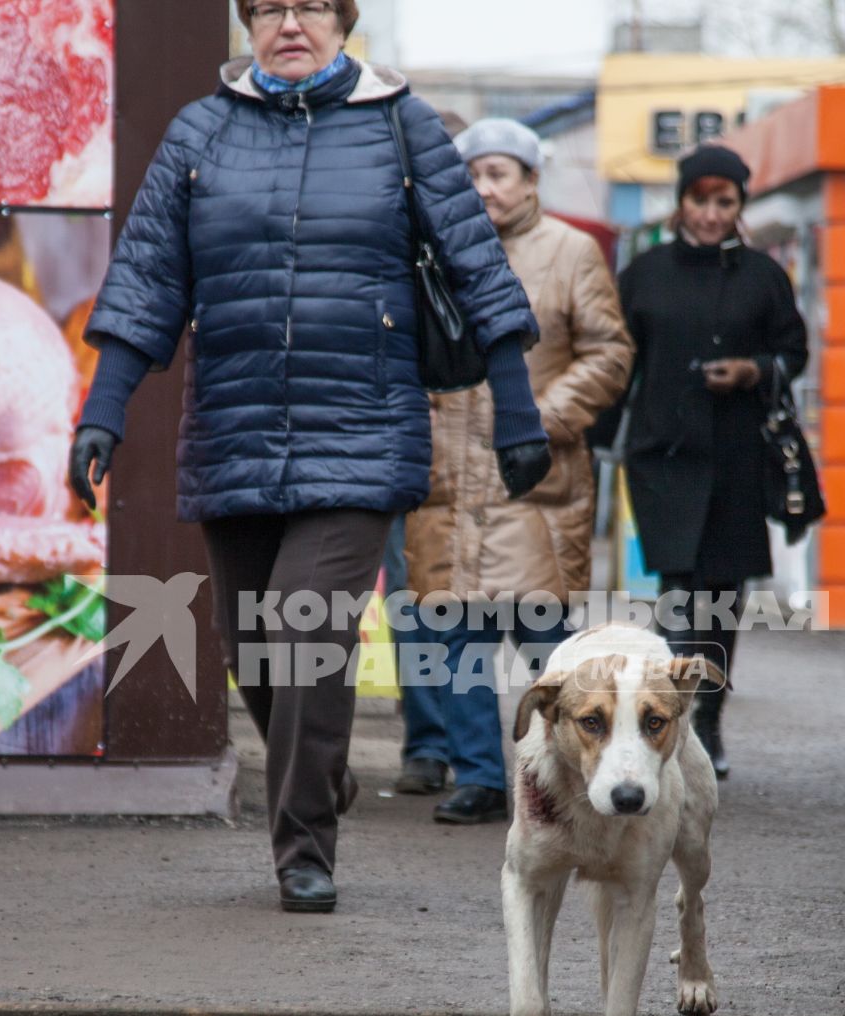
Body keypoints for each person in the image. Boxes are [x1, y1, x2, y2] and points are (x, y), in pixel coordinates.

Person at [68, 0, 550, 913]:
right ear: (248, 23)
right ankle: (319, 778)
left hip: (362, 429)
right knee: (252, 652)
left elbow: (478, 265)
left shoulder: (400, 125)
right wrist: (104, 408)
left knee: (310, 637)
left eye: (313, 6)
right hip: (234, 431)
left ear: (343, 21)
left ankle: (303, 848)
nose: (292, 23)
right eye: (272, 7)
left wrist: (516, 412)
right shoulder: (202, 129)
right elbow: (145, 277)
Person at [396, 119, 634, 823]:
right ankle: (481, 779)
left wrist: (543, 419)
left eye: (500, 173)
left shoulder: (570, 251)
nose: (484, 188)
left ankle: (573, 779)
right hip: (446, 482)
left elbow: (609, 353)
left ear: (532, 181)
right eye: (472, 174)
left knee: (552, 658)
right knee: (459, 645)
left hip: (535, 481)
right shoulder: (426, 251)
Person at [605, 145, 809, 780]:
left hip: (737, 459)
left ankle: (708, 724)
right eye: (701, 200)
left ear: (740, 205)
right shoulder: (644, 273)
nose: (712, 214)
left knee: (721, 599)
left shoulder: (763, 277)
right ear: (681, 201)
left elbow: (793, 352)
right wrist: (595, 443)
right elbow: (616, 364)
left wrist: (753, 369)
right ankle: (667, 722)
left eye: (726, 202)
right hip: (661, 457)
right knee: (676, 595)